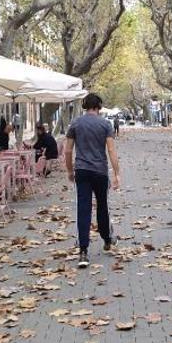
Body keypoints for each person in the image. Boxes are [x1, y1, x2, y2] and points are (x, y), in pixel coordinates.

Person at [64, 93, 121, 268]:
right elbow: (111, 151)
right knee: (102, 206)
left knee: (83, 209)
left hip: (81, 170)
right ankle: (106, 239)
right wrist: (117, 173)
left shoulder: (75, 123)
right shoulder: (105, 124)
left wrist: (69, 170)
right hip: (100, 172)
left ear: (84, 106)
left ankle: (83, 251)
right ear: (99, 107)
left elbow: (67, 151)